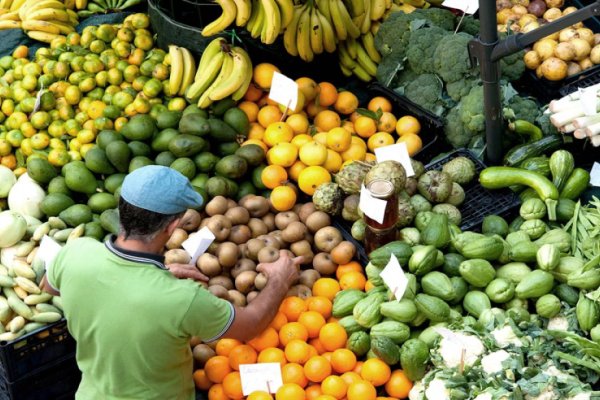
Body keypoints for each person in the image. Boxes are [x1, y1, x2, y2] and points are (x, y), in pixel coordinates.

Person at [41, 165, 303, 400]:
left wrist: (155, 275)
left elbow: (48, 289)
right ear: (173, 226)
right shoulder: (183, 298)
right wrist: (279, 280)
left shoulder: (76, 252)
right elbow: (251, 325)